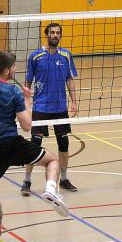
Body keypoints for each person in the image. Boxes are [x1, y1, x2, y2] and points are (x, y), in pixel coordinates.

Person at [0, 51, 69, 216]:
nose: (16, 69)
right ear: (6, 71)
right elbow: (27, 126)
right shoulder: (14, 92)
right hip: (13, 145)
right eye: (14, 67)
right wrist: (27, 100)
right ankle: (51, 189)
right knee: (52, 160)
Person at [20, 23, 78, 196]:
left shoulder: (66, 55)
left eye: (58, 33)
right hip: (41, 106)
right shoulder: (36, 56)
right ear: (46, 35)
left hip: (60, 106)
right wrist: (27, 99)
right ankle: (27, 180)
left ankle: (64, 179)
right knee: (34, 144)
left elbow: (70, 79)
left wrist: (74, 101)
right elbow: (28, 80)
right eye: (52, 32)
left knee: (64, 143)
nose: (55, 35)